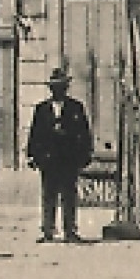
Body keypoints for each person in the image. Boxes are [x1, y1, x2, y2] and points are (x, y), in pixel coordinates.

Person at [26, 65, 95, 244]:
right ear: (50, 89)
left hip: (68, 159)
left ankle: (70, 230)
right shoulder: (42, 109)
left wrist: (85, 154)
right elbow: (35, 134)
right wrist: (32, 155)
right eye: (55, 86)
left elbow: (84, 133)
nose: (58, 90)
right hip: (48, 160)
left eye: (62, 86)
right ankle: (48, 230)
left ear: (66, 88)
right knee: (48, 195)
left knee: (69, 195)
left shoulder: (75, 108)